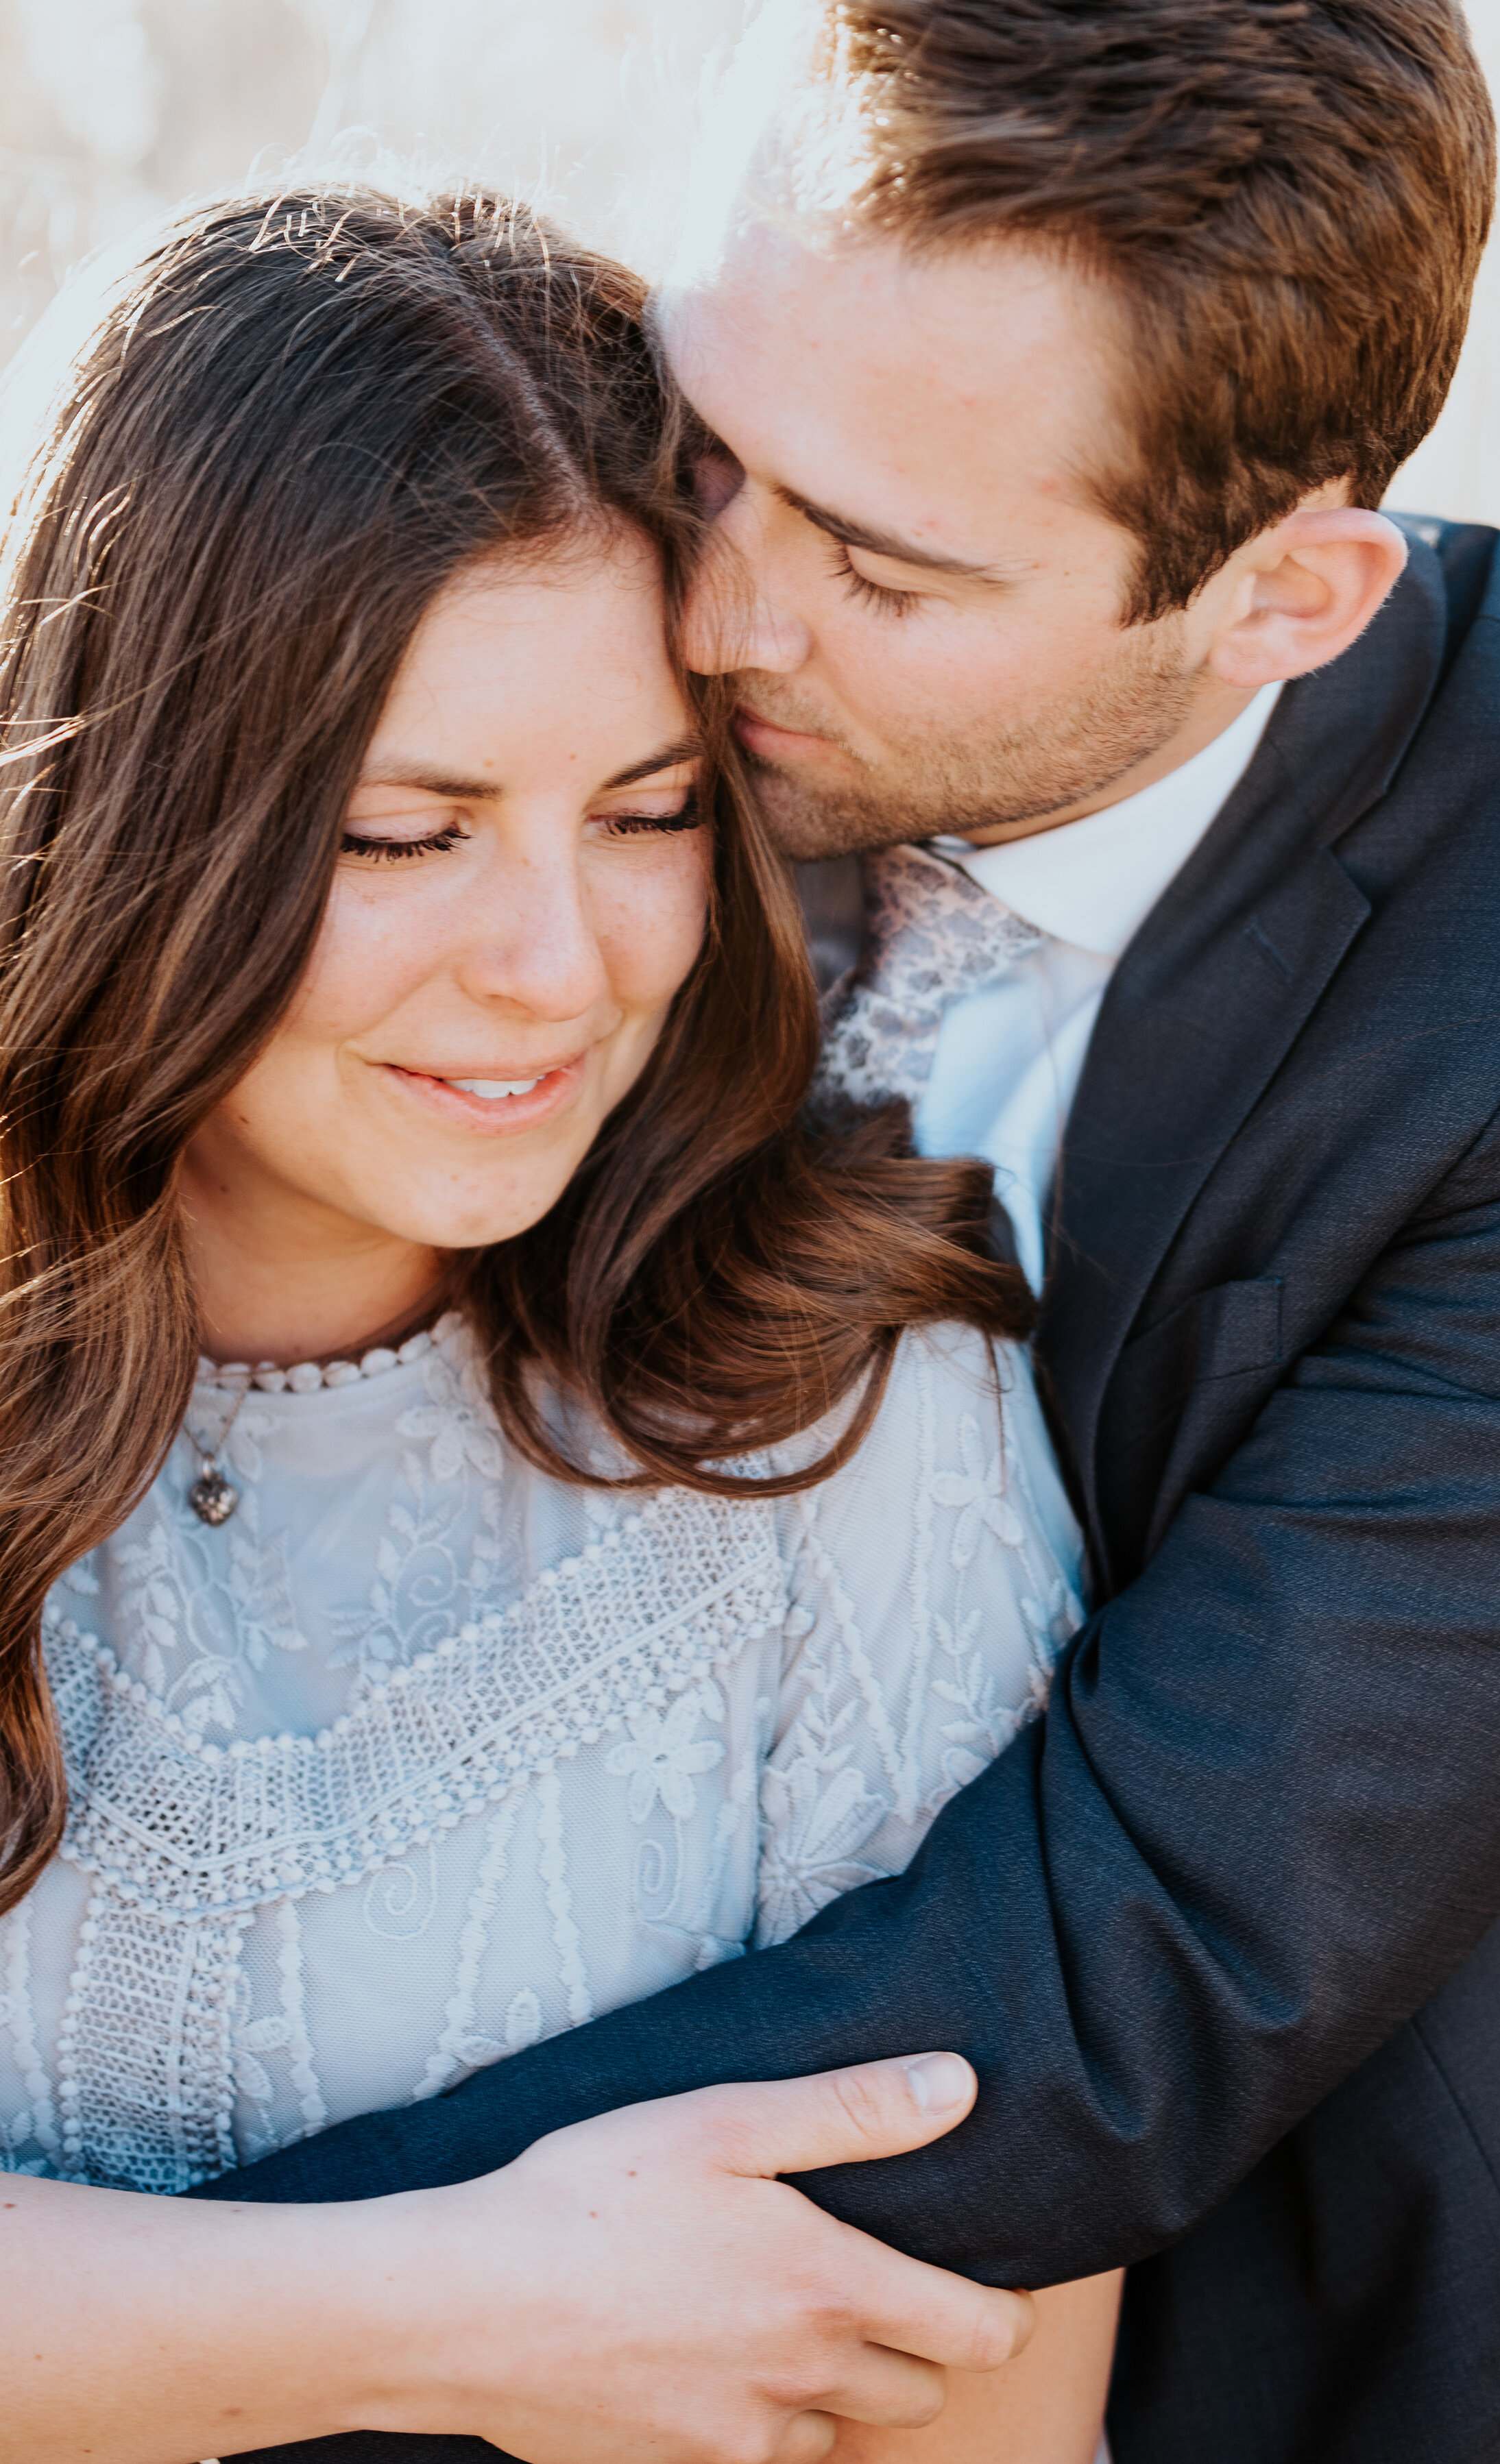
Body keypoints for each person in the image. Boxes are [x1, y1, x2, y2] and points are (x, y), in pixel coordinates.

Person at [199, 6, 1500, 2464]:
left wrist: (191, 2316)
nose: (724, 611)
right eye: (712, 441)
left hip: (1256, 2329)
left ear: (1288, 596)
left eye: (878, 561)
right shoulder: (610, 599)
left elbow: (1133, 1974)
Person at [0, 181, 1138, 2463]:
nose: (560, 964)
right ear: (145, 819)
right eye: (409, 835)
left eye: (641, 813)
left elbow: (976, 2409)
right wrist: (451, 2307)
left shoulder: (843, 1404)